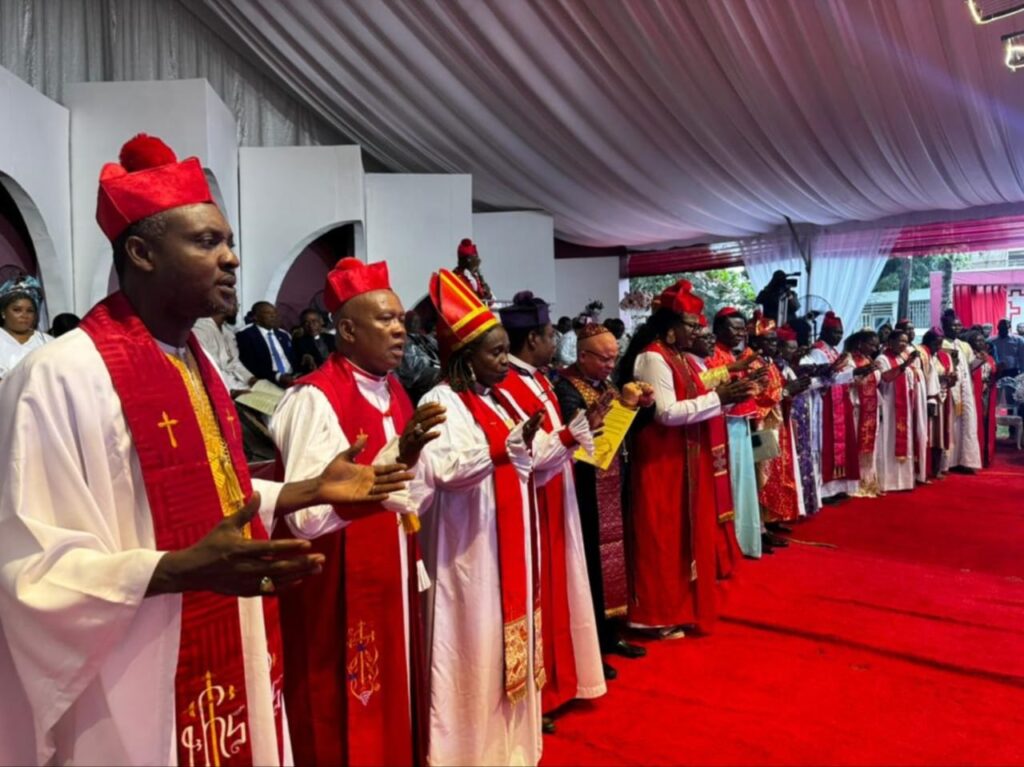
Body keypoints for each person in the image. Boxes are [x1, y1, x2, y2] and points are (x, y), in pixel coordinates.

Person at [0, 134, 412, 766]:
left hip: (230, 643)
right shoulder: (60, 376)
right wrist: (177, 570)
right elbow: (27, 569)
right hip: (131, 678)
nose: (232, 260)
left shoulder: (200, 365)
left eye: (228, 242)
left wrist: (307, 490)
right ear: (140, 251)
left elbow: (217, 490)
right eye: (207, 242)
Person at [271, 257, 445, 766]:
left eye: (401, 320)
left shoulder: (393, 388)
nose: (400, 330)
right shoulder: (313, 399)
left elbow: (411, 490)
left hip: (392, 565)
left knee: (395, 687)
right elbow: (304, 514)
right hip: (337, 580)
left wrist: (412, 469)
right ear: (346, 330)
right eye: (385, 320)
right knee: (340, 701)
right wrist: (395, 462)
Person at [412, 269, 546, 767]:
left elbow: (522, 461)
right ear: (465, 356)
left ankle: (510, 749)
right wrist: (499, 450)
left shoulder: (500, 397)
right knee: (470, 649)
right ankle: (465, 753)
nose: (503, 360)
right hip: (466, 550)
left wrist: (545, 443)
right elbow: (442, 470)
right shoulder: (438, 401)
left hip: (506, 538)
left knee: (501, 645)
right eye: (494, 352)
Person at [495, 291, 606, 731]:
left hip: (559, 488)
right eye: (548, 334)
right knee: (543, 591)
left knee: (564, 587)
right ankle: (541, 691)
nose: (555, 341)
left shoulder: (540, 378)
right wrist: (572, 433)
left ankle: (563, 678)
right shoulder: (508, 385)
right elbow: (526, 449)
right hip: (535, 496)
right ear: (533, 339)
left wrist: (587, 424)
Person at [618, 280, 751, 637]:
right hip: (661, 460)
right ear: (671, 329)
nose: (698, 331)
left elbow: (697, 386)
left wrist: (730, 379)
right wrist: (717, 398)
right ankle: (654, 615)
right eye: (692, 326)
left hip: (683, 456)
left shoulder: (677, 357)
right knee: (661, 534)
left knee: (682, 535)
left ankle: (680, 609)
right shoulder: (651, 357)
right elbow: (666, 412)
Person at [553, 324, 651, 680]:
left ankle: (612, 633)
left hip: (613, 482)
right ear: (583, 356)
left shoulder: (603, 385)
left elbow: (624, 432)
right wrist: (623, 405)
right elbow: (585, 440)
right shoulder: (565, 387)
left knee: (614, 557)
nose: (612, 365)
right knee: (592, 564)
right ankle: (592, 642)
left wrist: (641, 409)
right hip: (584, 489)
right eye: (605, 358)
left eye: (615, 357)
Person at [706, 308, 762, 557]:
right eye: (734, 328)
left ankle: (746, 538)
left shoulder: (730, 354)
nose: (740, 333)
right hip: (723, 426)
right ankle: (732, 542)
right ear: (718, 329)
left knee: (743, 481)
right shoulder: (711, 354)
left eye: (742, 328)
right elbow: (706, 383)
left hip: (739, 423)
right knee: (732, 482)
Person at [806, 312, 861, 502]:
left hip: (839, 400)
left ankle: (838, 486)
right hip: (824, 402)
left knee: (841, 444)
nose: (839, 337)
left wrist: (854, 374)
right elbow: (821, 378)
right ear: (824, 331)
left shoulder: (834, 352)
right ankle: (824, 490)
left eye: (841, 333)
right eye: (835, 333)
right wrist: (852, 373)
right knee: (824, 444)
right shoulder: (817, 351)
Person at [940, 309, 982, 474]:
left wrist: (980, 360)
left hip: (965, 388)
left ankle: (966, 460)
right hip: (950, 388)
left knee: (967, 423)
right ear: (945, 327)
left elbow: (970, 366)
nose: (957, 328)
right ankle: (948, 462)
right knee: (951, 424)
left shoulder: (964, 345)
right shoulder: (941, 344)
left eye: (959, 325)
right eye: (953, 326)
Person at [875, 330, 918, 492]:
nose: (904, 344)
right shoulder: (882, 358)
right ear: (890, 341)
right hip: (889, 406)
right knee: (889, 441)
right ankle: (888, 482)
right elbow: (885, 377)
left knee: (904, 440)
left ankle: (904, 482)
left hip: (904, 405)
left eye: (906, 341)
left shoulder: (902, 357)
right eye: (900, 341)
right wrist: (904, 366)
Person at [193, 305, 257, 393]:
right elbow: (210, 368)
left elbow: (234, 363)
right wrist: (231, 391)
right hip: (219, 389)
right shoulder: (199, 329)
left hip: (237, 385)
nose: (237, 309)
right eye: (234, 305)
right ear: (220, 305)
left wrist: (250, 379)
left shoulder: (228, 332)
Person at [0, 275, 52, 379]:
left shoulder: (47, 342)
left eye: (30, 311)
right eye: (17, 310)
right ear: (3, 313)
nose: (24, 315)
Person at [237, 300, 298, 386]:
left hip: (293, 377)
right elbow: (250, 365)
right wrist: (278, 376)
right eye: (268, 313)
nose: (273, 316)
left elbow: (293, 359)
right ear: (256, 317)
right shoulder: (245, 335)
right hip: (268, 381)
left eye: (274, 312)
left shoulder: (284, 335)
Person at [395, 309, 442, 404]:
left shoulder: (424, 338)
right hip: (416, 377)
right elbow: (411, 366)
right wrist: (433, 365)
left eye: (418, 322)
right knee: (440, 376)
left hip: (431, 370)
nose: (416, 324)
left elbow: (439, 347)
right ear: (406, 323)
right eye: (413, 322)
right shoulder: (404, 341)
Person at [968, 331, 998, 467]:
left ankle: (987, 454)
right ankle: (976, 455)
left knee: (987, 423)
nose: (981, 343)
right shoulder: (970, 357)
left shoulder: (990, 357)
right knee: (976, 424)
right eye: (978, 341)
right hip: (974, 394)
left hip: (987, 394)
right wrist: (979, 361)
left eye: (982, 341)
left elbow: (993, 373)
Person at [292, 307, 335, 374]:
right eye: (306, 323)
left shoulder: (332, 338)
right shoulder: (299, 343)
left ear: (321, 321)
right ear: (302, 326)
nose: (311, 325)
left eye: (314, 321)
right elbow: (300, 361)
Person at [453, 237, 494, 303]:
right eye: (476, 257)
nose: (479, 261)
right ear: (468, 260)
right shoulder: (458, 277)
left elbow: (489, 302)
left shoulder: (475, 276)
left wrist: (488, 295)